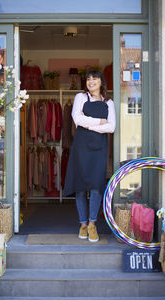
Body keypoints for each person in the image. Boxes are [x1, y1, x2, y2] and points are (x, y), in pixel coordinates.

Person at [63, 70, 116, 242]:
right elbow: (77, 119)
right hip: (81, 147)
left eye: (95, 79)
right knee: (80, 186)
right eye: (88, 79)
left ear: (101, 82)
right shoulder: (80, 97)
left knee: (96, 185)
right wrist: (99, 122)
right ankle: (83, 224)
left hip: (99, 148)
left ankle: (93, 224)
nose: (91, 81)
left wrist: (89, 123)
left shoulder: (109, 102)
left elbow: (111, 127)